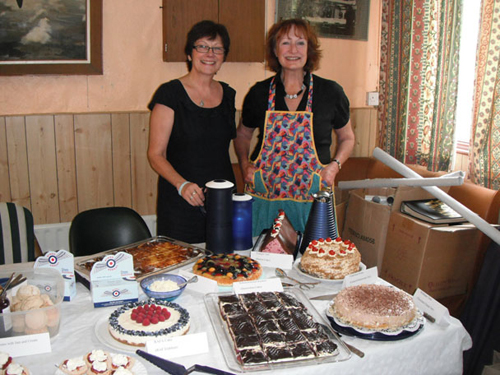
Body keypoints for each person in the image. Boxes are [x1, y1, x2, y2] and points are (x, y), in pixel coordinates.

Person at [234, 18, 355, 236]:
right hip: (266, 194)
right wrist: (244, 164)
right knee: (261, 258)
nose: (293, 50)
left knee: (314, 260)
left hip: (312, 195)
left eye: (300, 43)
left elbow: (347, 138)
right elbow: (242, 135)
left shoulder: (331, 92)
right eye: (285, 43)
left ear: (309, 49)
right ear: (275, 49)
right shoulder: (259, 93)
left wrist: (334, 166)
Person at [147, 20, 236, 243]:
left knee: (221, 264)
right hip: (181, 202)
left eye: (217, 48)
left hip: (222, 200)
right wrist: (182, 185)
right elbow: (155, 155)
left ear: (223, 57)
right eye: (202, 46)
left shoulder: (229, 94)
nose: (210, 54)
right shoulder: (169, 94)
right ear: (189, 53)